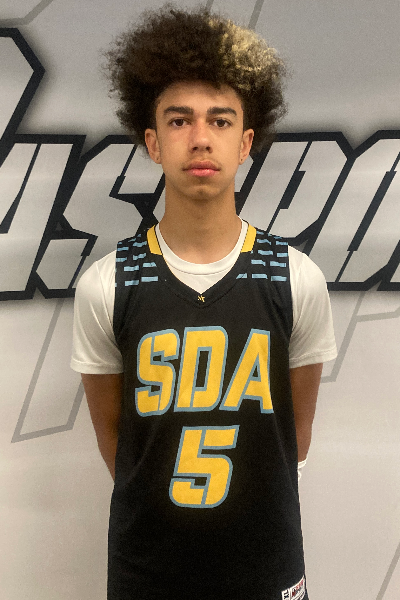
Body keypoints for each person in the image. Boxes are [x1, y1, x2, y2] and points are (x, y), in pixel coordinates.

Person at [70, 4, 337, 599]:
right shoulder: (107, 285)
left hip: (266, 564)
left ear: (245, 143)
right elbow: (118, 443)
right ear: (152, 142)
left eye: (220, 120)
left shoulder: (295, 278)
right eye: (179, 120)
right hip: (148, 570)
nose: (199, 138)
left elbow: (295, 435)